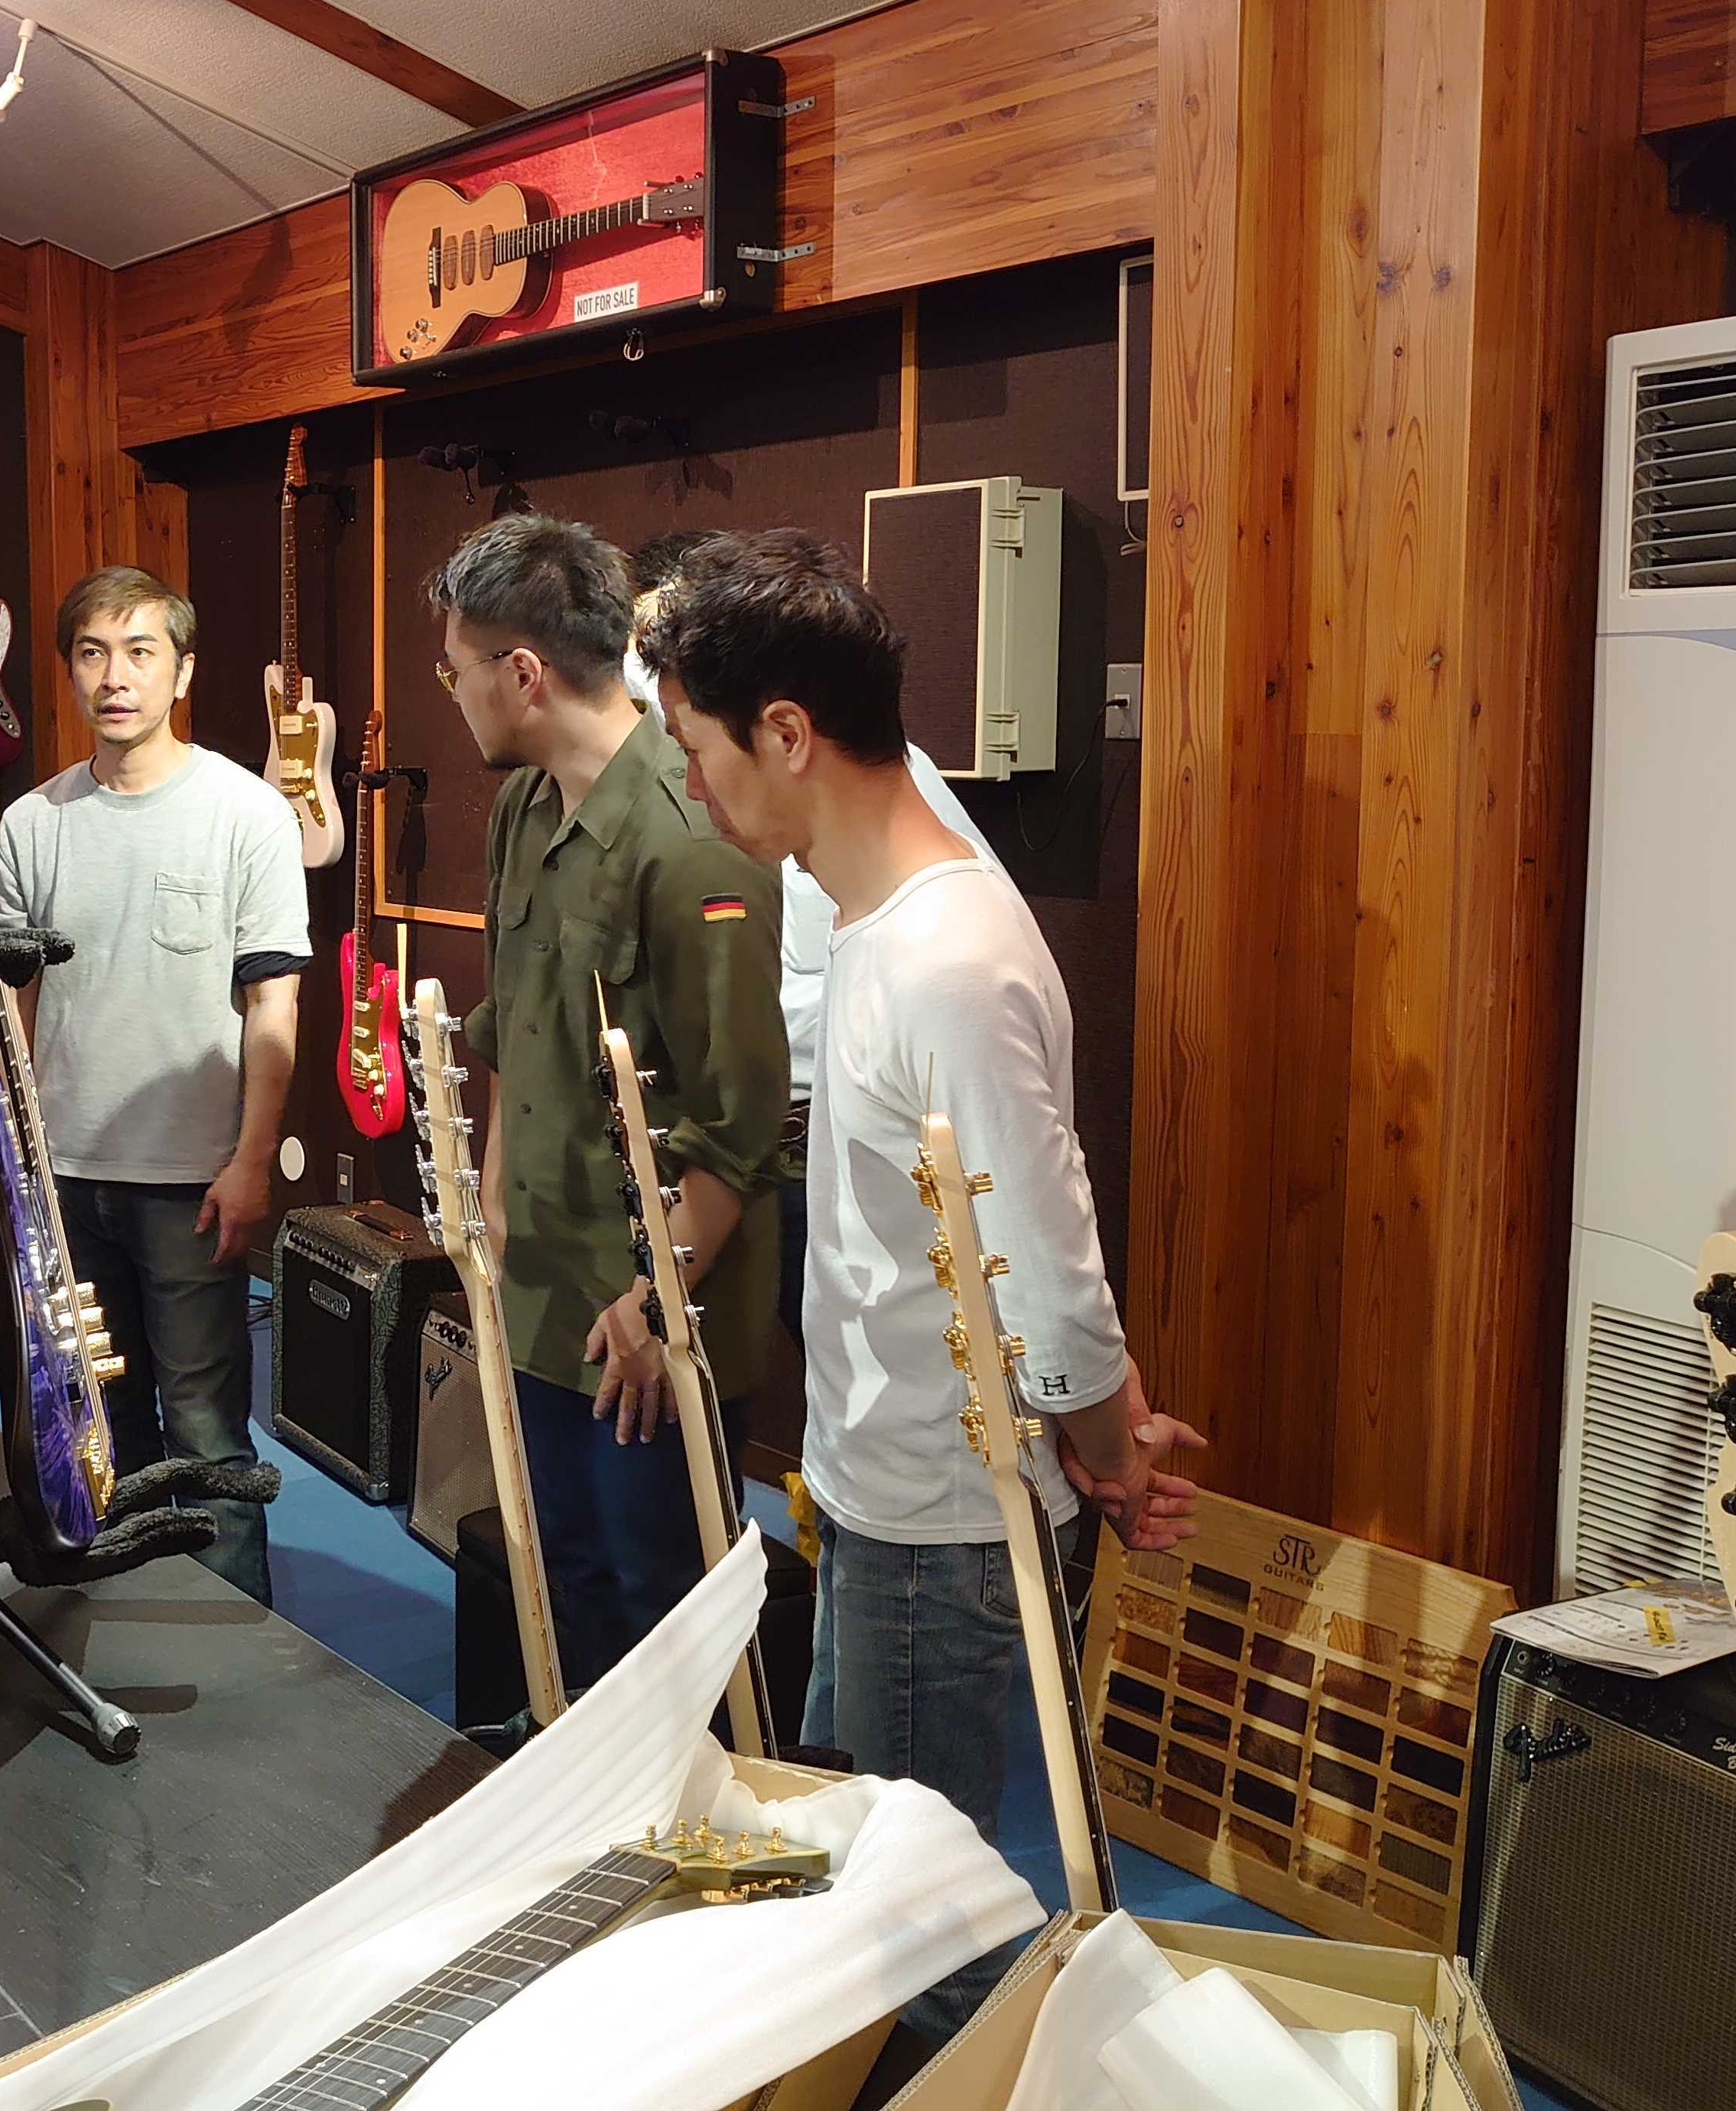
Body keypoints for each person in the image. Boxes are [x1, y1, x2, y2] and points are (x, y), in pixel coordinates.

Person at [639, 530, 1201, 2014]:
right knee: (865, 1876)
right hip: (877, 1493)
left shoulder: (949, 957)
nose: (692, 783)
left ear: (785, 732)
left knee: (921, 1943)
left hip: (937, 1526)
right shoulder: (876, 922)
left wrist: (1110, 1449)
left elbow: (1051, 1270)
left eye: (698, 746)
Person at [427, 513, 788, 1688]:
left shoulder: (693, 840)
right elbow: (515, 1029)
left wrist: (654, 1299)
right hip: (540, 1290)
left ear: (523, 673)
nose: (454, 693)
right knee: (562, 1586)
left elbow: (744, 1123)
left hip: (651, 1321)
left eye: (457, 669)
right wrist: (488, 1212)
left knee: (666, 1624)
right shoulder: (525, 808)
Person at [0, 566, 307, 1602]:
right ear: (69, 672)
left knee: (208, 1433)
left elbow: (272, 1007)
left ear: (183, 672)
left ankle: (240, 1642)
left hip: (193, 1181)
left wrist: (252, 1161)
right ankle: (135, 1615)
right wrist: (9, 1160)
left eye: (139, 653)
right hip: (66, 1179)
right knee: (103, 1423)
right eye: (92, 654)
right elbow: (12, 1009)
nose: (114, 677)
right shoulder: (32, 823)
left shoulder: (247, 813)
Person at [626, 530, 1011, 1351]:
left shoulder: (941, 925)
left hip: (818, 1139)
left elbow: (1023, 1235)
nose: (691, 782)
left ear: (786, 731)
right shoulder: (706, 805)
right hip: (783, 1135)